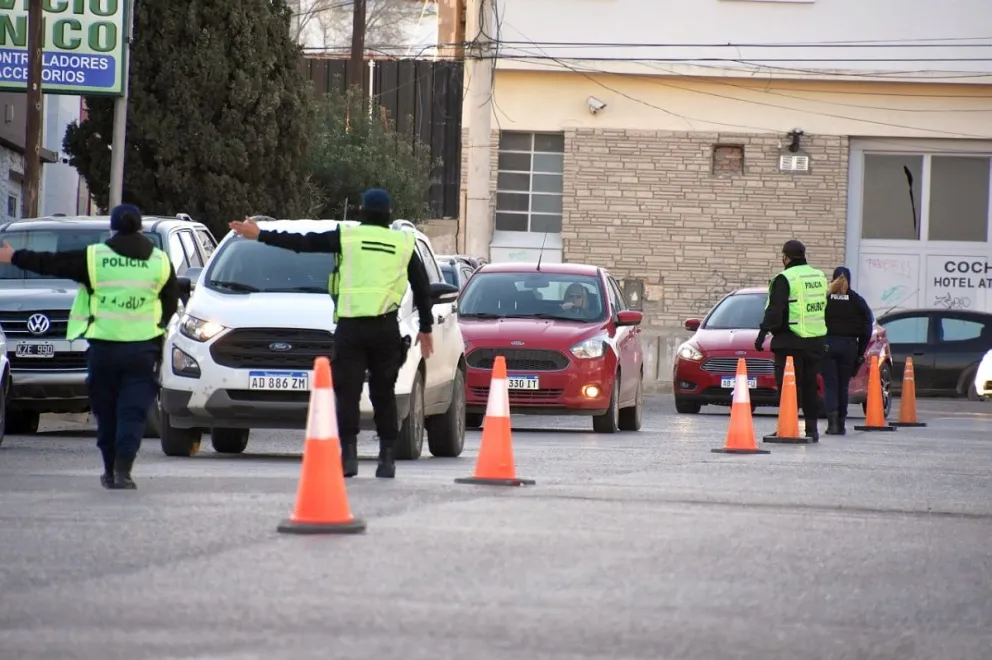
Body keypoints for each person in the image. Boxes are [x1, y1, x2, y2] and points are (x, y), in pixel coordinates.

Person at [227, 189, 434, 479]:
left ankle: (348, 457)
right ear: (389, 215)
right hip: (386, 328)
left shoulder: (347, 237)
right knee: (383, 393)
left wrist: (261, 234)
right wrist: (426, 328)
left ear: (361, 211)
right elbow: (423, 288)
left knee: (347, 393)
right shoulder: (403, 242)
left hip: (351, 329)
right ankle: (387, 459)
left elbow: (302, 243)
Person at [0, 204, 179, 489]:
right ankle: (123, 470)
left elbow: (52, 262)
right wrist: (155, 331)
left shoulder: (95, 258)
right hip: (142, 352)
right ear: (140, 228)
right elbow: (170, 304)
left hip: (104, 350)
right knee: (132, 412)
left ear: (113, 229)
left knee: (106, 413)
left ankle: (109, 469)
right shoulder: (160, 262)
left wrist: (14, 256)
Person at [755, 240, 828, 441]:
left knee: (788, 387)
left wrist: (763, 334)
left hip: (790, 341)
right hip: (815, 340)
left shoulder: (785, 278)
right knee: (810, 386)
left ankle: (786, 427)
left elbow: (775, 310)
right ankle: (812, 430)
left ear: (785, 257)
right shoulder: (818, 276)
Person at [822, 266, 873, 436]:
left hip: (827, 345)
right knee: (843, 386)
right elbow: (867, 328)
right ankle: (841, 424)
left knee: (830, 386)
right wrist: (860, 352)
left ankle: (832, 425)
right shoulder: (857, 301)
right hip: (849, 346)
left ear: (833, 279)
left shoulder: (825, 299)